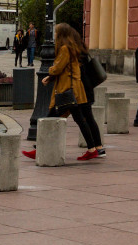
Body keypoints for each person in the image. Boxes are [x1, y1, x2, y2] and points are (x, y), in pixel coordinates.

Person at [30, 23, 104, 161]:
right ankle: (93, 148)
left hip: (67, 91)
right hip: (74, 90)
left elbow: (58, 68)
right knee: (79, 119)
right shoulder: (73, 48)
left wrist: (50, 71)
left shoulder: (65, 49)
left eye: (56, 33)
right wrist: (51, 77)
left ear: (61, 34)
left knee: (51, 117)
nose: (55, 35)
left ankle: (40, 149)